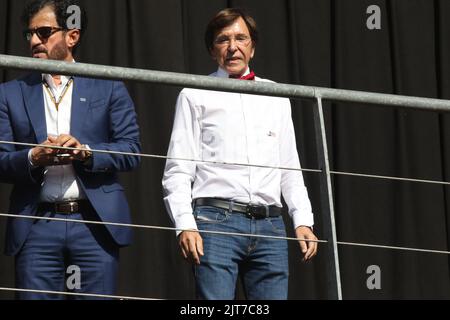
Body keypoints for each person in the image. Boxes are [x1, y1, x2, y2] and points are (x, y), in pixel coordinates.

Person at [162, 8, 317, 300]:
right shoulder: (195, 94)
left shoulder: (276, 96)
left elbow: (290, 169)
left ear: (253, 47)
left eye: (240, 38)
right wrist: (184, 223)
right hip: (216, 221)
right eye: (223, 39)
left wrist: (303, 220)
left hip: (271, 225)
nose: (233, 47)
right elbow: (178, 169)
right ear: (212, 50)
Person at [0, 0, 140, 299]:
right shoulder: (10, 93)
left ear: (72, 36)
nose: (34, 40)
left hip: (93, 224)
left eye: (44, 32)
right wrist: (32, 157)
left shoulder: (108, 85)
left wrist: (87, 152)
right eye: (30, 34)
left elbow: (131, 150)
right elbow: (1, 160)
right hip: (37, 226)